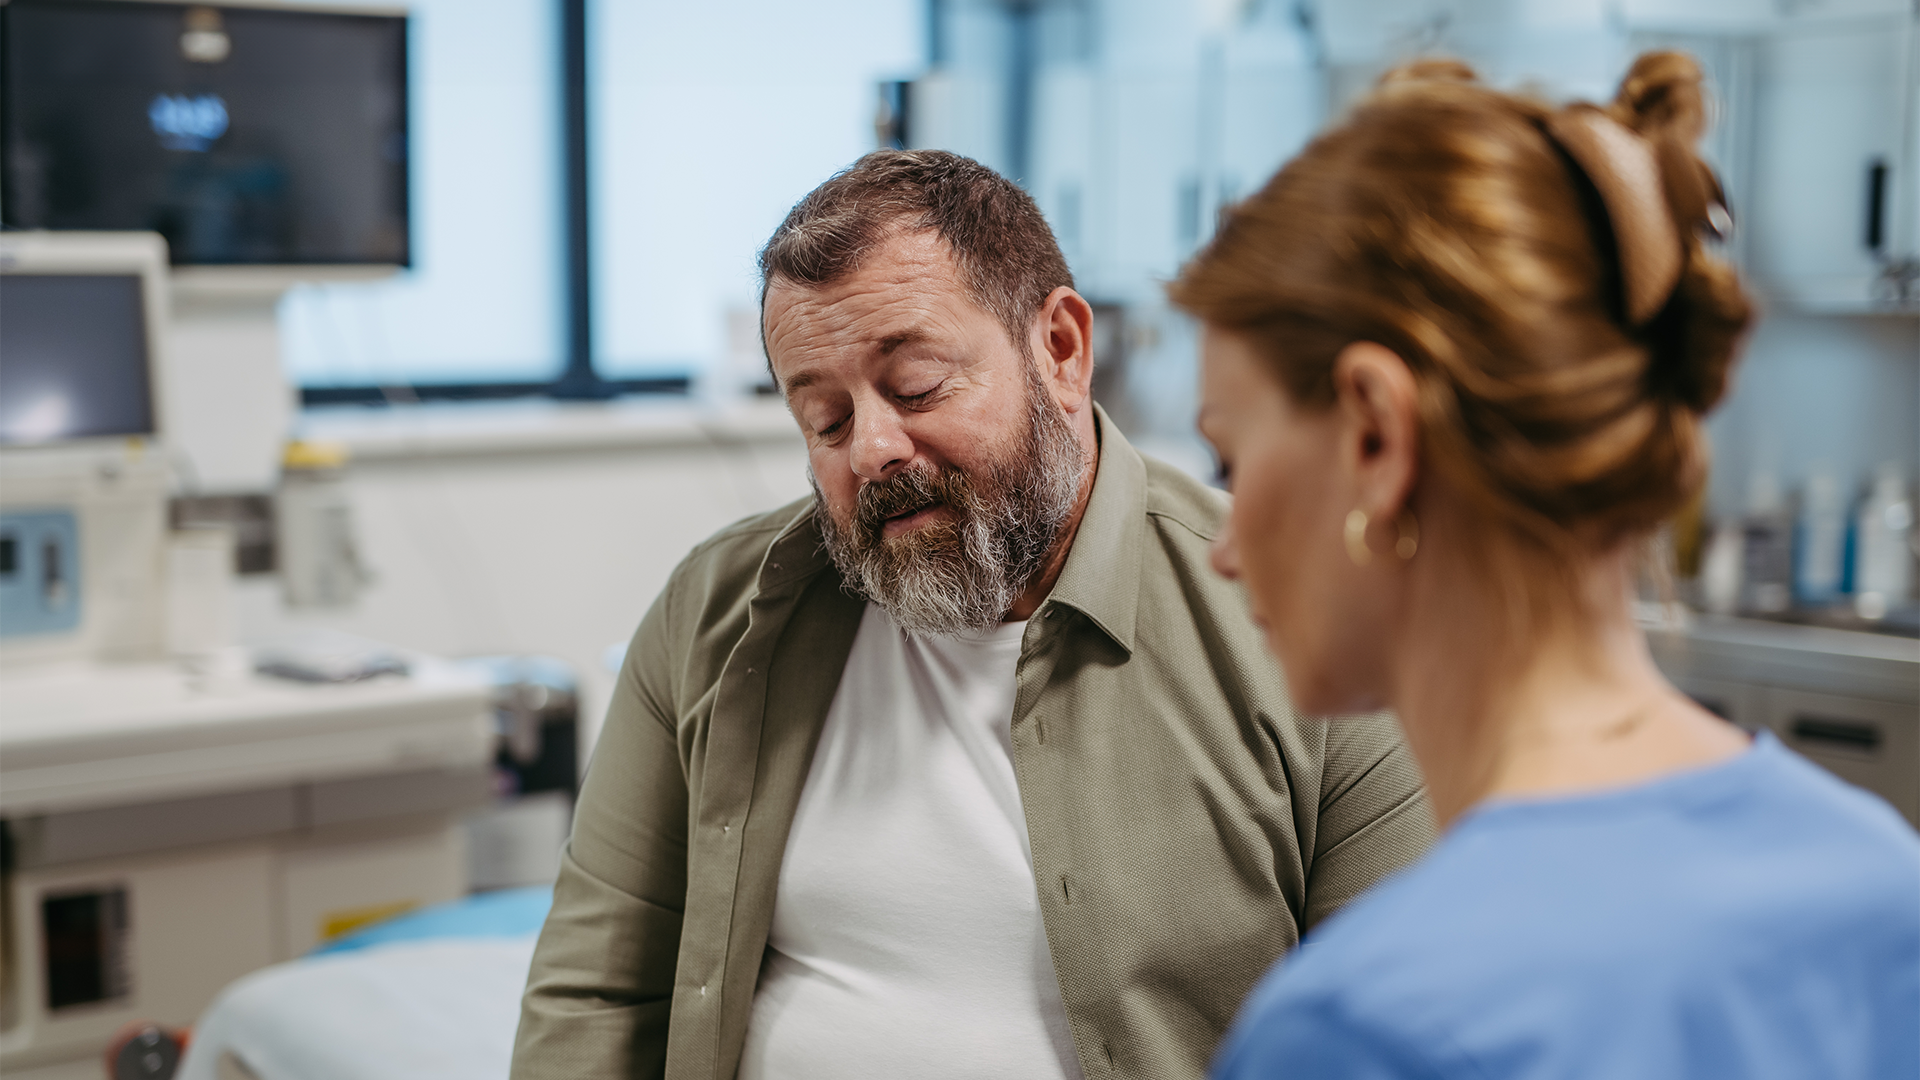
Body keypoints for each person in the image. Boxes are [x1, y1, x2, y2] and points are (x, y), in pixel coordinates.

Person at [509, 150, 1435, 1080]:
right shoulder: (716, 613)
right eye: (825, 420)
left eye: (915, 387)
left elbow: (1397, 1040)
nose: (872, 448)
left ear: (1062, 350)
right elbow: (598, 993)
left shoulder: (1308, 631)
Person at [1174, 52, 1920, 1080]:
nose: (1221, 543)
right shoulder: (1882, 882)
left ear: (1377, 437)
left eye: (1232, 454)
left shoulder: (1364, 1028)